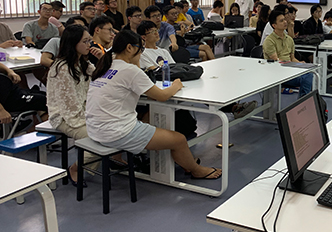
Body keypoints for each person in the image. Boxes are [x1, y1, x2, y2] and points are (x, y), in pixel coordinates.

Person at [86, 30, 221, 179]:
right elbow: (162, 96)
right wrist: (176, 85)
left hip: (94, 129)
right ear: (129, 48)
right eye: (141, 49)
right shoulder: (130, 70)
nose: (141, 54)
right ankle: (196, 170)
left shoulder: (106, 65)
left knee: (149, 116)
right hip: (116, 132)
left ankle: (184, 161)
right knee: (179, 140)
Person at [46, 24, 99, 186]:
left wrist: (101, 58)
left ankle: (88, 164)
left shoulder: (83, 62)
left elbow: (102, 77)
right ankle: (75, 168)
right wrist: (91, 120)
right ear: (73, 43)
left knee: (112, 130)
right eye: (85, 41)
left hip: (84, 112)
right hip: (64, 116)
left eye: (89, 41)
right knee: (99, 137)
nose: (89, 45)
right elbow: (69, 106)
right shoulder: (62, 67)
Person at [263, 11, 314, 98]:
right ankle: (304, 101)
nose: (285, 22)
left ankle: (304, 100)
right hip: (276, 72)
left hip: (289, 69)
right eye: (281, 21)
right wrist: (292, 65)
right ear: (274, 25)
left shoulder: (289, 39)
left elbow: (292, 58)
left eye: (285, 20)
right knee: (306, 77)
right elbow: (276, 60)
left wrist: (300, 64)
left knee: (309, 72)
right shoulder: (269, 40)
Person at [0, 62, 47, 126]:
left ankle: (37, 123)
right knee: (47, 101)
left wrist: (10, 71)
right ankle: (35, 128)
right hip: (8, 99)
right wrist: (1, 110)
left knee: (46, 96)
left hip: (11, 90)